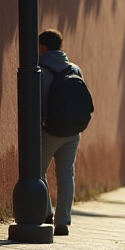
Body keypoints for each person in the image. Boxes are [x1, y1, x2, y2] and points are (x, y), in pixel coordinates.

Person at [39, 29, 87, 236]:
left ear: (42, 48)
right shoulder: (74, 69)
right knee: (66, 175)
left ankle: (45, 212)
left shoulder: (39, 69)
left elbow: (38, 103)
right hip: (73, 131)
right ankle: (62, 222)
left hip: (49, 130)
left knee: (36, 172)